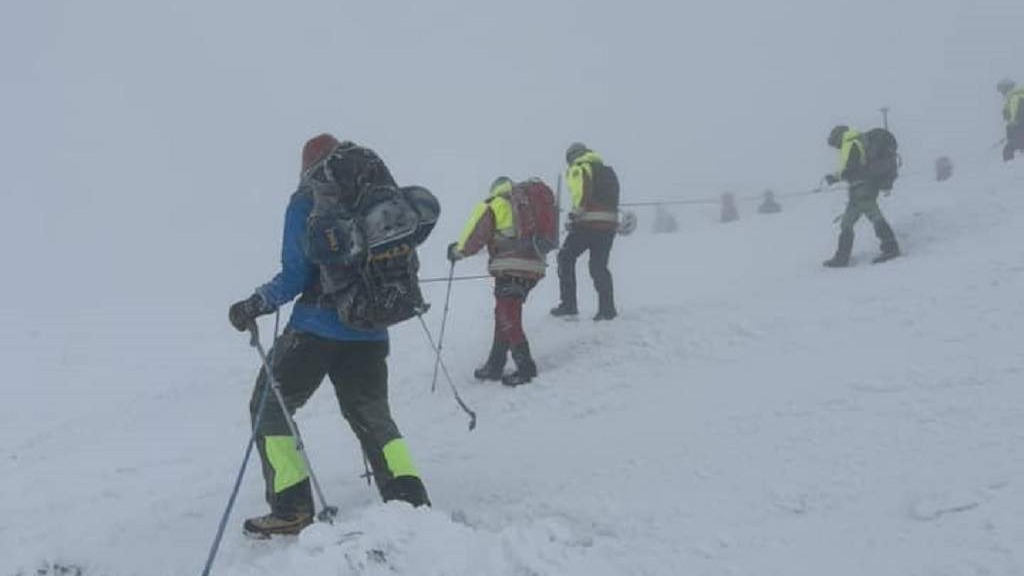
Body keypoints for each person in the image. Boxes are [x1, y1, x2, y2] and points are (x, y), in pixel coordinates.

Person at [227, 134, 430, 538]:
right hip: (371, 330)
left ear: (309, 167)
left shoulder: (308, 201)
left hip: (317, 330)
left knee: (270, 407)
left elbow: (295, 276)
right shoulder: (381, 203)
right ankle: (409, 496)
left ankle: (291, 506)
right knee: (372, 414)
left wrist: (253, 304)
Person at [447, 177, 546, 386]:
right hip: (534, 267)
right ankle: (495, 364)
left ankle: (526, 367)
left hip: (511, 266)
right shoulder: (527, 204)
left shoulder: (496, 203)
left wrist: (458, 251)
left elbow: (475, 236)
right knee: (504, 312)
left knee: (507, 314)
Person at [550, 143, 619, 321]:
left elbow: (582, 193)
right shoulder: (607, 171)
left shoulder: (579, 168)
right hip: (608, 226)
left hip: (588, 224)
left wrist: (574, 215)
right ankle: (607, 309)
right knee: (599, 266)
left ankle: (569, 305)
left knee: (565, 258)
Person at [822, 125, 900, 267]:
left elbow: (852, 167)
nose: (836, 147)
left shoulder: (851, 142)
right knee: (847, 222)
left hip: (864, 186)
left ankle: (891, 248)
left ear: (838, 136)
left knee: (874, 214)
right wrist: (837, 177)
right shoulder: (854, 142)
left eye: (835, 143)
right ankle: (842, 257)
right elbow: (852, 167)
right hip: (856, 188)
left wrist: (838, 177)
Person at [998, 78, 1024, 162]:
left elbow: (1015, 118)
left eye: (1002, 90)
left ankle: (1008, 170)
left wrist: (1011, 128)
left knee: (1008, 150)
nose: (1002, 93)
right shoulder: (1018, 95)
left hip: (1020, 129)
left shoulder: (1014, 97)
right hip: (1019, 130)